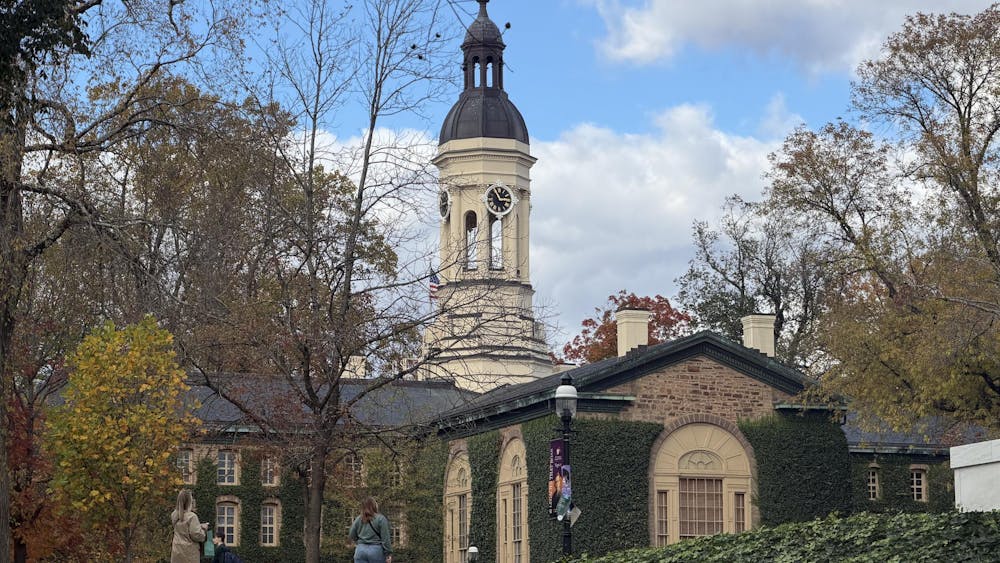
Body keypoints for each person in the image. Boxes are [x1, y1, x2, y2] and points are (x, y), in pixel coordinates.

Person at [348, 497, 392, 563]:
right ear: (374, 505)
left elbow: (352, 534)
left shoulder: (358, 519)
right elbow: (385, 538)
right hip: (376, 550)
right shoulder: (381, 519)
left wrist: (359, 542)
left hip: (360, 550)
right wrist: (388, 553)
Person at [170, 489, 208, 563]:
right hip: (189, 552)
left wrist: (199, 526)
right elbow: (196, 535)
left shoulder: (174, 515)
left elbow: (183, 528)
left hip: (176, 550)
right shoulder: (192, 516)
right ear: (189, 502)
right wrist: (204, 529)